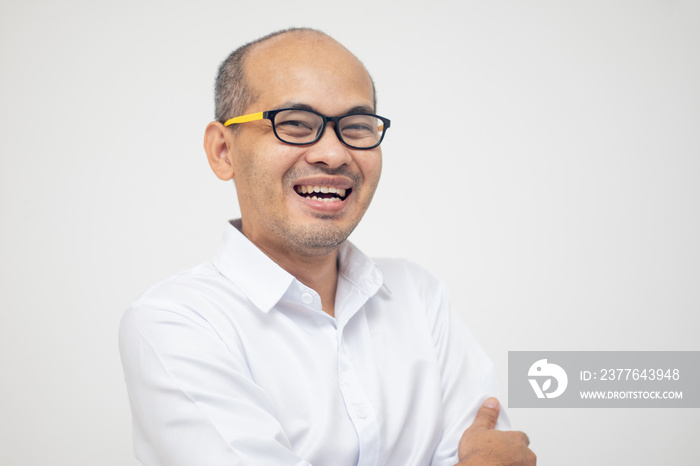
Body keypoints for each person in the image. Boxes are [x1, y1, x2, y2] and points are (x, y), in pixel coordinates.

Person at [119, 28, 535, 466]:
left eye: (356, 127)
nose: (333, 154)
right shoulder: (175, 323)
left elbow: (493, 445)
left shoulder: (419, 296)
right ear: (223, 150)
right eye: (295, 124)